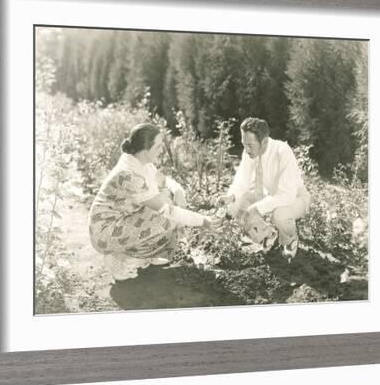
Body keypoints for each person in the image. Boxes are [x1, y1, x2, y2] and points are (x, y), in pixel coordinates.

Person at [88, 123, 219, 280]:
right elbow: (167, 211)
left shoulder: (141, 163)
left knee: (166, 198)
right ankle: (121, 259)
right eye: (158, 146)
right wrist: (204, 221)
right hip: (104, 231)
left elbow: (164, 181)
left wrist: (178, 191)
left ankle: (140, 255)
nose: (162, 150)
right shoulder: (129, 175)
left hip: (121, 221)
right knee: (167, 218)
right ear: (145, 150)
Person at [218, 117, 311, 261]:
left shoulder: (282, 151)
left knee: (280, 214)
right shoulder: (249, 153)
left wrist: (257, 208)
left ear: (265, 141)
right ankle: (268, 236)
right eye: (244, 145)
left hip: (295, 199)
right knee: (237, 205)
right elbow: (242, 181)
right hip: (270, 196)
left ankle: (290, 240)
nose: (246, 150)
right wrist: (230, 197)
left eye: (250, 145)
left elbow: (287, 196)